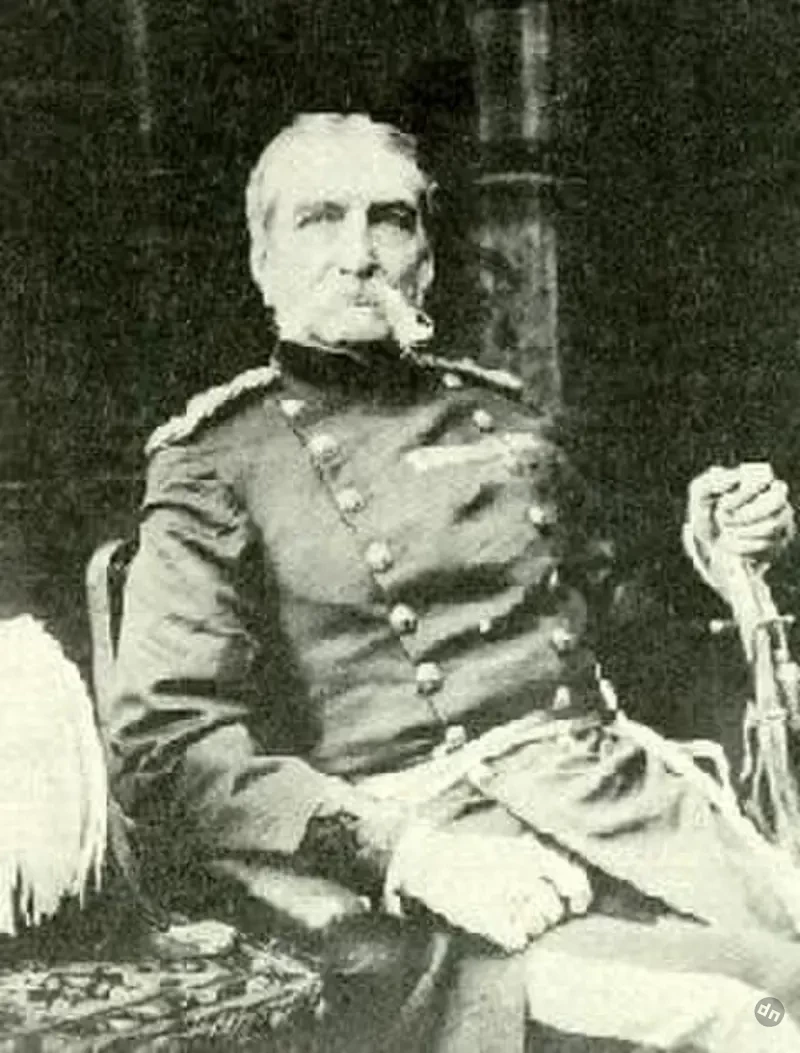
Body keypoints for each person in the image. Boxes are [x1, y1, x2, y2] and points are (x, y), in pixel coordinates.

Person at [109, 113, 800, 1052]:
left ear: (426, 261)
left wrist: (718, 556)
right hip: (442, 861)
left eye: (389, 220)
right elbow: (167, 742)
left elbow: (629, 637)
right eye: (319, 219)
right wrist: (406, 855)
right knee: (751, 1022)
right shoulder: (217, 462)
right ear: (264, 262)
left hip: (627, 808)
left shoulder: (503, 416)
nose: (359, 254)